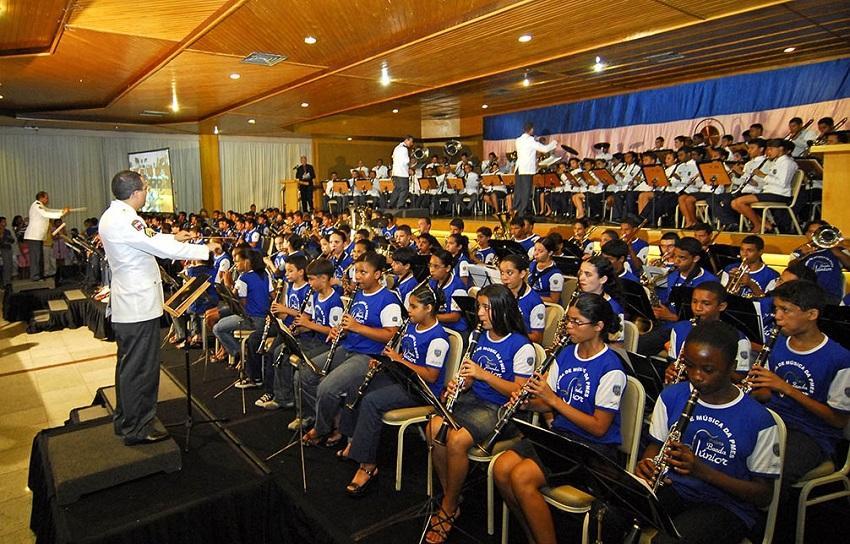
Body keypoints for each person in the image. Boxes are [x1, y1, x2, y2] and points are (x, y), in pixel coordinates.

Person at [597, 320, 780, 544]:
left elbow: (763, 496)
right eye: (690, 365)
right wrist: (648, 464)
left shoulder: (760, 420)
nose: (696, 376)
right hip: (675, 487)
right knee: (610, 510)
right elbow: (655, 446)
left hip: (726, 505)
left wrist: (701, 471)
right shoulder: (673, 396)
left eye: (708, 369)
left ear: (732, 367)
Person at [493, 293, 626, 544]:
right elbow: (545, 402)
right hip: (561, 436)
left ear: (598, 327)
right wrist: (527, 402)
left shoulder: (611, 368)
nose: (569, 327)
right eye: (568, 321)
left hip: (590, 448)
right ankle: (533, 532)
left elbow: (599, 427)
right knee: (500, 468)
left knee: (521, 477)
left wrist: (553, 401)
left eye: (577, 322)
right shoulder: (565, 354)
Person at [99, 170, 212, 445]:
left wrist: (175, 238)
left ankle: (126, 420)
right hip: (138, 306)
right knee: (142, 370)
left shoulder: (114, 216)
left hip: (132, 304)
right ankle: (138, 428)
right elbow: (156, 247)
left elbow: (149, 238)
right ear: (136, 192)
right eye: (146, 188)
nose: (147, 192)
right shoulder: (125, 219)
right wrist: (205, 250)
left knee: (130, 367)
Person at [424, 284, 535, 543]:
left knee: (457, 439)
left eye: (487, 308)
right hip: (475, 400)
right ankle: (452, 491)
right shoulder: (480, 336)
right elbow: (472, 377)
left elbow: (520, 391)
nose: (481, 313)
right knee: (433, 428)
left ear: (502, 310)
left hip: (502, 410)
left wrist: (483, 375)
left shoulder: (521, 346)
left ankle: (449, 506)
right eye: (479, 307)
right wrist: (461, 383)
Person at [747, 280, 850, 541]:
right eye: (776, 309)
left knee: (768, 472)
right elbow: (766, 394)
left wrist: (788, 389)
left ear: (812, 314)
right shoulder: (778, 343)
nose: (777, 317)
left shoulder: (839, 359)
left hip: (812, 434)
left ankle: (761, 532)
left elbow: (838, 421)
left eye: (785, 310)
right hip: (772, 420)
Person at [337, 284, 450, 496]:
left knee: (372, 401)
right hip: (401, 377)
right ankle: (354, 441)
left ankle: (368, 466)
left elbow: (430, 376)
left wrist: (398, 361)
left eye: (414, 307)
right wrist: (385, 361)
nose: (409, 310)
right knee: (357, 385)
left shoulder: (438, 338)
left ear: (428, 308)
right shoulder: (412, 325)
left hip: (420, 389)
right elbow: (402, 355)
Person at [301, 252, 403, 446]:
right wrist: (341, 331)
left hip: (369, 355)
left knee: (327, 387)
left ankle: (322, 428)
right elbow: (351, 325)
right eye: (356, 271)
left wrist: (356, 327)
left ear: (378, 274)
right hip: (348, 346)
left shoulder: (388, 300)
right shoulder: (358, 294)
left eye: (363, 272)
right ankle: (332, 418)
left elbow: (391, 334)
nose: (357, 276)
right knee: (306, 374)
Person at [664, 281, 751, 383]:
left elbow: (740, 378)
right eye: (694, 302)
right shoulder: (679, 329)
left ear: (721, 306)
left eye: (706, 303)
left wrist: (710, 366)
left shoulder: (738, 338)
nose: (698, 308)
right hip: (683, 386)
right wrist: (670, 370)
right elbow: (673, 362)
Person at [498, 254, 545, 344]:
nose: (504, 278)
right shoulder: (500, 293)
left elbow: (537, 338)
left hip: (520, 345)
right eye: (502, 273)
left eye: (509, 273)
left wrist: (509, 332)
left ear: (522, 274)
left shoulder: (535, 302)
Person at [514, 122, 557, 216]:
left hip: (519, 168)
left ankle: (516, 209)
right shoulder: (530, 141)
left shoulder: (518, 140)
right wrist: (554, 143)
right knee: (526, 190)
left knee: (518, 190)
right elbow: (545, 149)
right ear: (532, 130)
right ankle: (522, 212)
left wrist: (537, 139)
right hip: (526, 169)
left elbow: (532, 140)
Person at [24, 191, 68, 281]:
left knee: (39, 257)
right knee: (35, 257)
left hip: (38, 236)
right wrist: (61, 214)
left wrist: (61, 211)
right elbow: (46, 213)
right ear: (41, 197)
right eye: (46, 198)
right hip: (34, 236)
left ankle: (38, 275)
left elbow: (49, 211)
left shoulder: (41, 206)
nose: (48, 200)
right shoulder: (37, 205)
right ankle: (35, 276)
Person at [428, 249, 469, 334]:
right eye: (430, 265)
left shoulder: (458, 287)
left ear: (448, 268)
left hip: (455, 330)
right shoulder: (432, 281)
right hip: (439, 325)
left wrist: (429, 317)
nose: (431, 270)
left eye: (436, 266)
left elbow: (455, 317)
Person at [528, 235, 564, 304]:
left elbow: (554, 300)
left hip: (548, 306)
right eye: (535, 249)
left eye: (540, 251)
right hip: (532, 302)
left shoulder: (556, 275)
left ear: (550, 253)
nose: (535, 254)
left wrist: (532, 297)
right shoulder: (532, 265)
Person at [389, 135, 414, 208]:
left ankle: (391, 204)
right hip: (402, 173)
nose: (411, 144)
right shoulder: (404, 149)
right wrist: (411, 162)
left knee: (397, 188)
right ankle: (400, 205)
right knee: (405, 189)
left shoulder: (397, 148)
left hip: (395, 172)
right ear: (407, 140)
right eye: (411, 141)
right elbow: (406, 161)